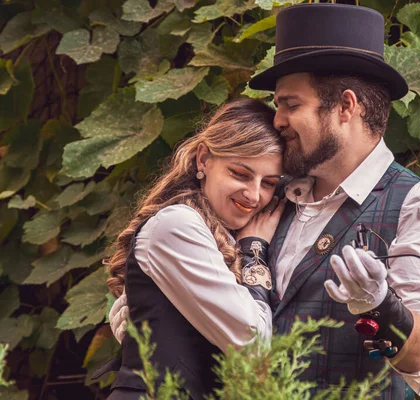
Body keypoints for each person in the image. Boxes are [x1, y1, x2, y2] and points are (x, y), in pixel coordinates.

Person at [111, 3, 420, 398]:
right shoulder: (270, 196)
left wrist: (380, 304)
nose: (278, 119)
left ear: (346, 107)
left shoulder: (416, 207)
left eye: (291, 104)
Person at [95, 99, 286, 399]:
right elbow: (254, 344)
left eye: (269, 183)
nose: (253, 194)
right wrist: (254, 251)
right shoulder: (177, 224)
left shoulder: (214, 235)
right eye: (240, 173)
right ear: (204, 159)